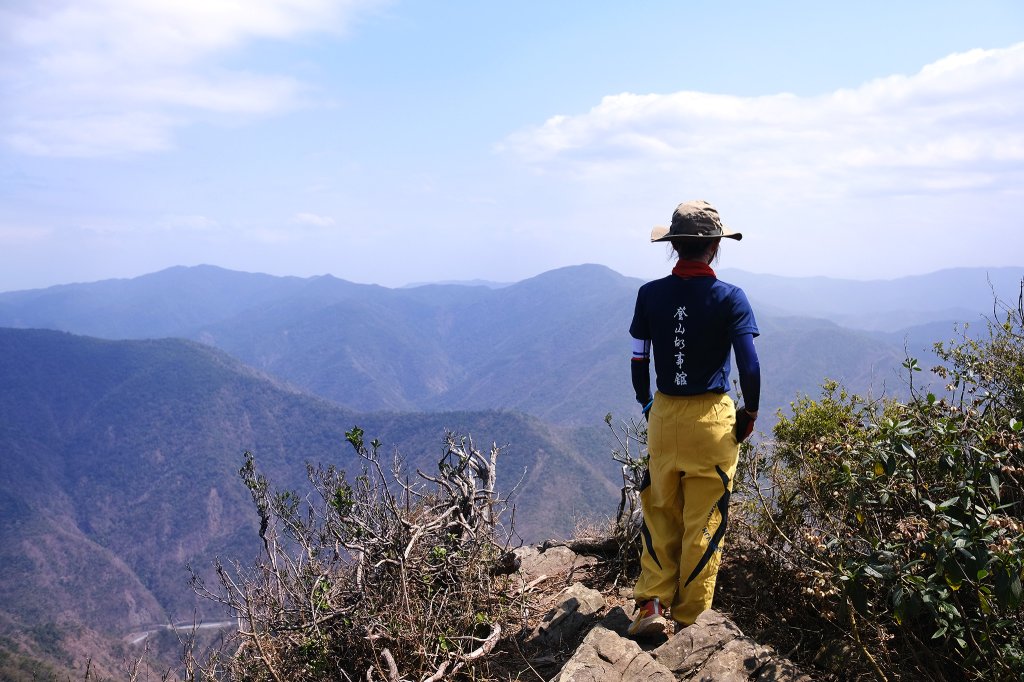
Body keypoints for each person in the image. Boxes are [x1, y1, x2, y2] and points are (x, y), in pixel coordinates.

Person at [627, 199, 761, 637]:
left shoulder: (649, 295)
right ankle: (690, 618)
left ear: (674, 247)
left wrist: (647, 403)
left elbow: (638, 358)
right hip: (712, 418)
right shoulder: (730, 298)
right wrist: (750, 412)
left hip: (664, 414)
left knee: (660, 508)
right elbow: (750, 366)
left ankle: (651, 604)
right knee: (705, 519)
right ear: (714, 248)